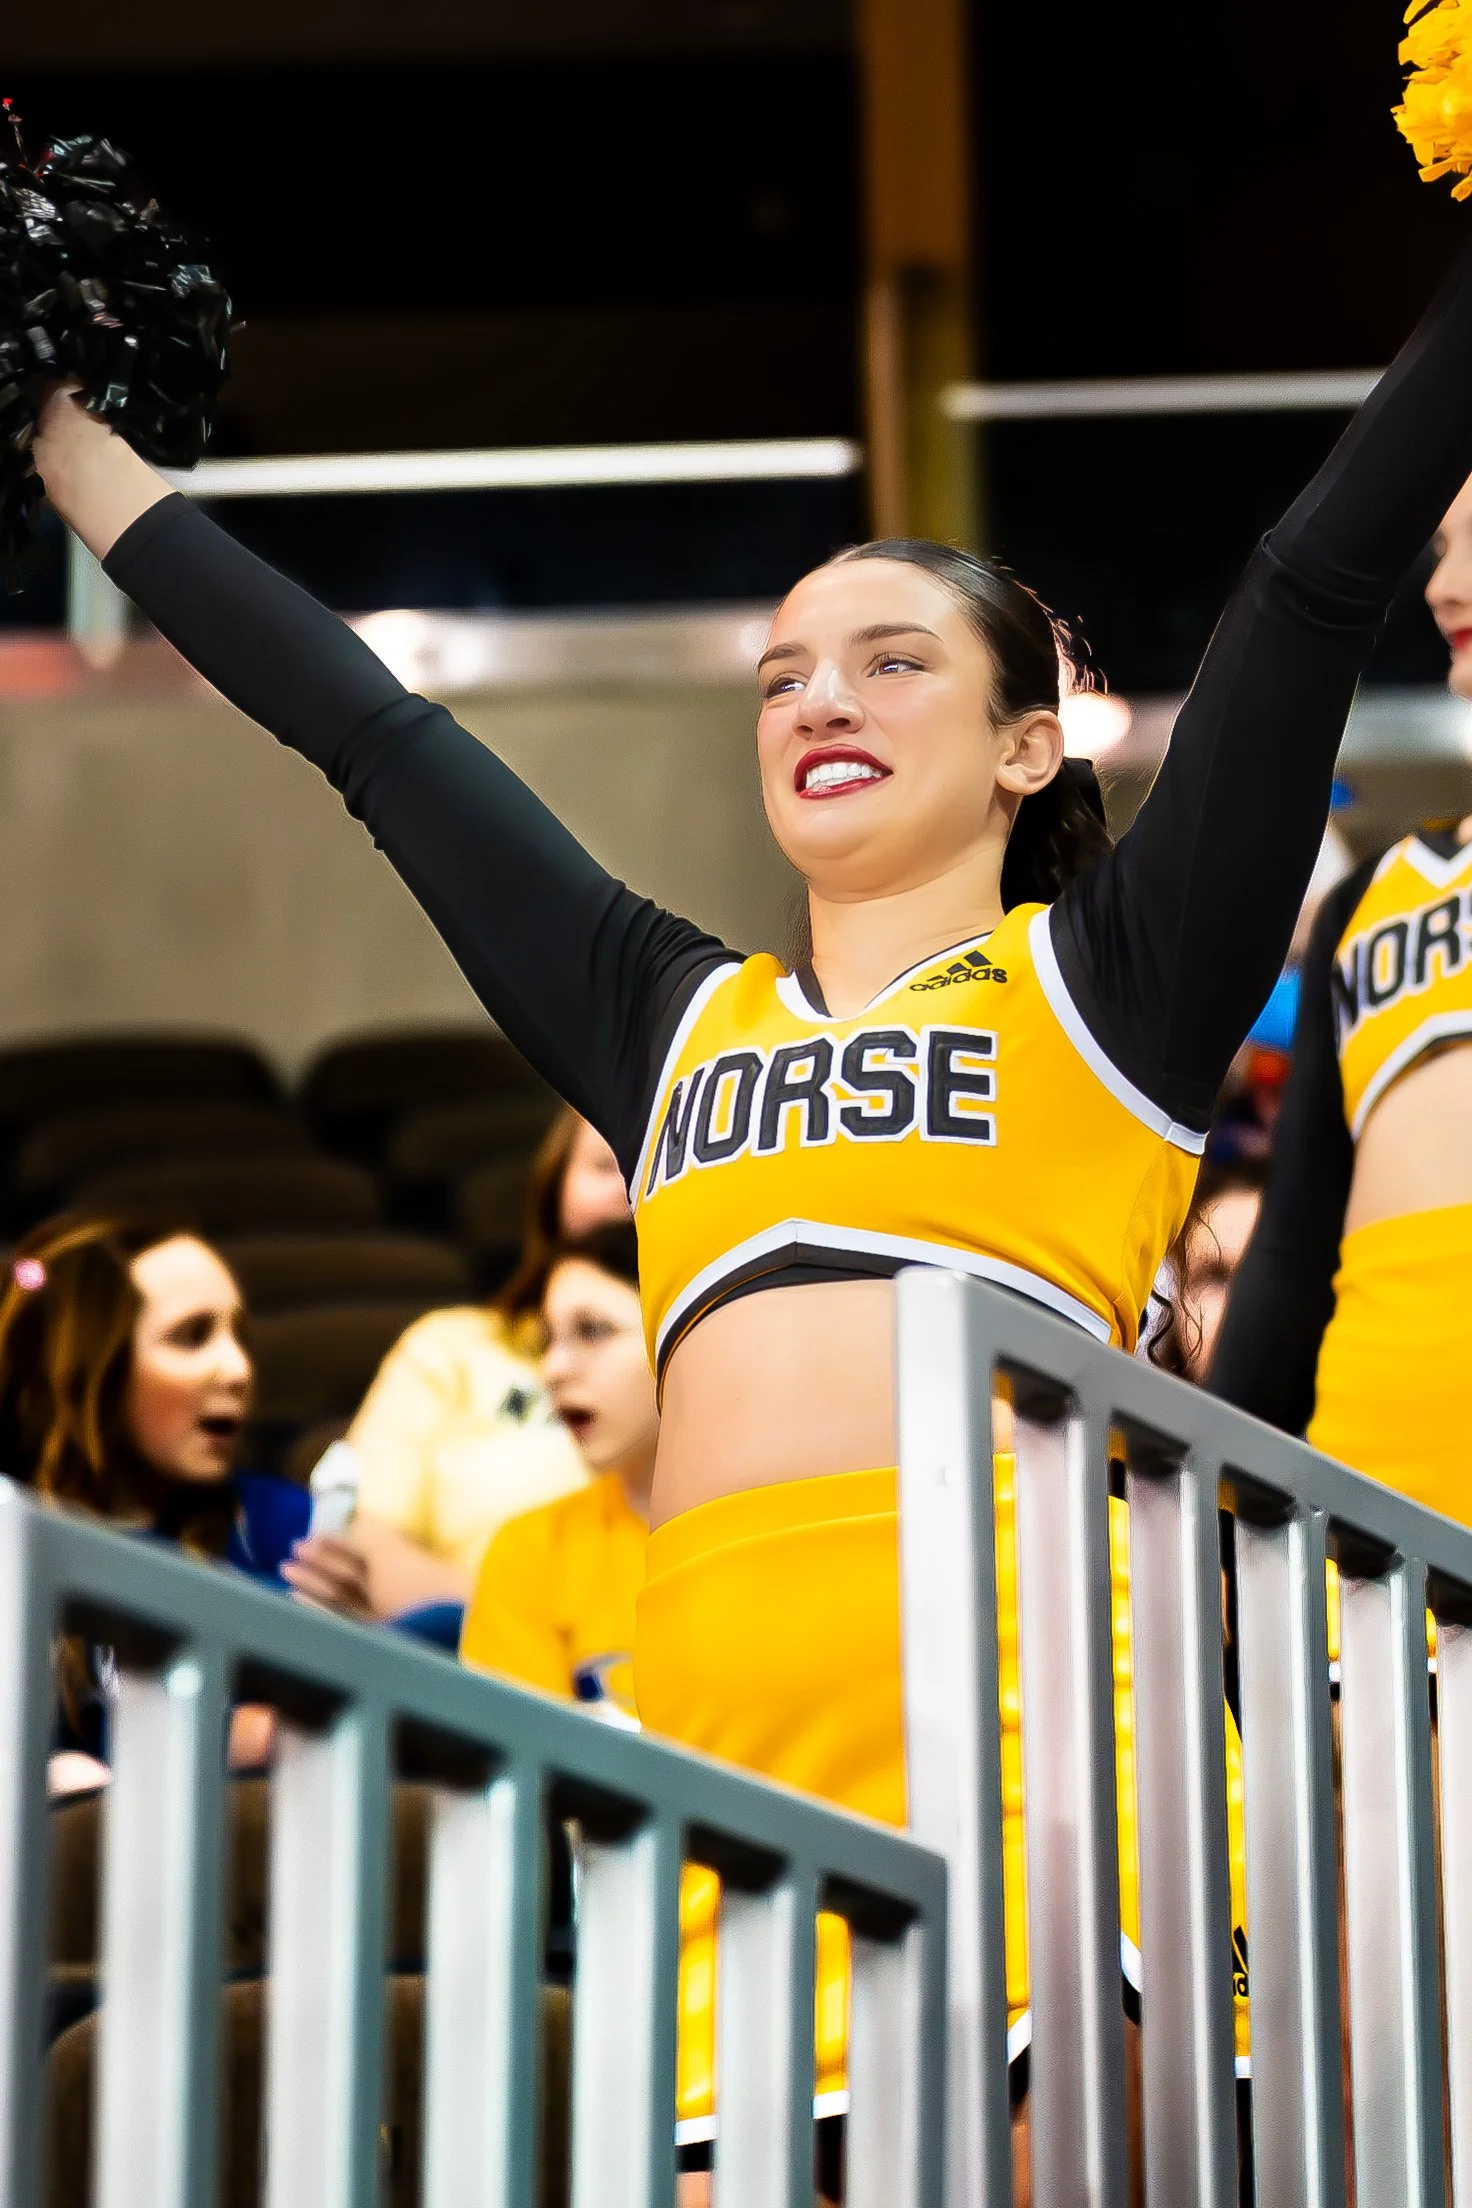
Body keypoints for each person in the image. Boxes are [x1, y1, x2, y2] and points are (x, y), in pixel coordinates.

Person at [32, 224, 1472, 1939]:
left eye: (889, 659)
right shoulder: (668, 1017)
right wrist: (62, 438)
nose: (817, 698)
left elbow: (1310, 578)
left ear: (1030, 743)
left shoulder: (1113, 987)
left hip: (1054, 1782)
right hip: (716, 1791)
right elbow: (365, 726)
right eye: (781, 672)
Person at [1209, 468, 1472, 1521]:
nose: (1440, 588)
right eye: (1439, 549)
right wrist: (1209, 1529)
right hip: (1372, 1585)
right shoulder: (1379, 903)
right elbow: (1293, 1248)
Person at [285, 1107, 630, 1621]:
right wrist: (546, 1637)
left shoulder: (736, 1366)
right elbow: (360, 1555)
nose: (635, 1192)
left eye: (658, 1170)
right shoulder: (450, 1346)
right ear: (551, 1191)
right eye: (608, 1167)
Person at [0, 1213, 306, 1787]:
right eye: (192, 1337)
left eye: (239, 1335)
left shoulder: (274, 1522)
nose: (239, 1369)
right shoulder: (14, 1545)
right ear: (91, 1367)